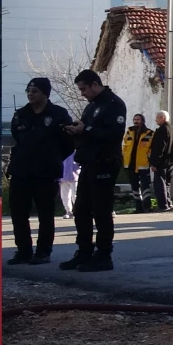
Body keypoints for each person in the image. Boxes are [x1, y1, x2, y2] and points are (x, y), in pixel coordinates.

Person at [60, 69, 127, 272]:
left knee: (101, 210)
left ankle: (104, 255)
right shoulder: (91, 107)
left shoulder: (114, 104)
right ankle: (84, 251)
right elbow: (87, 130)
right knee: (81, 210)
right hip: (89, 162)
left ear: (95, 85)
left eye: (84, 89)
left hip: (105, 162)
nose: (82, 93)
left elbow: (114, 134)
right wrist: (76, 130)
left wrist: (85, 130)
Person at [8, 78, 75, 265]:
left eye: (35, 91)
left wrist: (52, 158)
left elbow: (68, 144)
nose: (30, 94)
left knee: (45, 213)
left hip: (45, 172)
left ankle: (43, 252)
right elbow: (17, 137)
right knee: (19, 213)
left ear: (45, 93)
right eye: (28, 90)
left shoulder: (58, 114)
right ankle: (23, 251)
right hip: (21, 171)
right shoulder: (21, 114)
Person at [121, 114, 154, 213]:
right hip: (130, 164)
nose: (136, 121)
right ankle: (138, 207)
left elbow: (151, 149)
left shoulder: (150, 133)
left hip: (143, 163)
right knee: (134, 186)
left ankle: (147, 206)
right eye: (134, 119)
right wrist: (124, 156)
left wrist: (149, 158)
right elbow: (125, 146)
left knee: (145, 186)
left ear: (142, 121)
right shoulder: (129, 131)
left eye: (138, 119)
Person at [148, 110, 173, 213]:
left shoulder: (162, 130)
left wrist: (154, 163)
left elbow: (159, 148)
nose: (156, 120)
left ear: (162, 118)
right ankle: (168, 202)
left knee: (160, 184)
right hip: (170, 161)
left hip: (161, 163)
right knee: (167, 183)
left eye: (157, 118)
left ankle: (163, 205)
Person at [60, 152, 80, 220]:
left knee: (75, 195)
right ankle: (68, 211)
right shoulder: (61, 151)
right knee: (65, 196)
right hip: (63, 176)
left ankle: (79, 211)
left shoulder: (76, 151)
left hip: (75, 176)